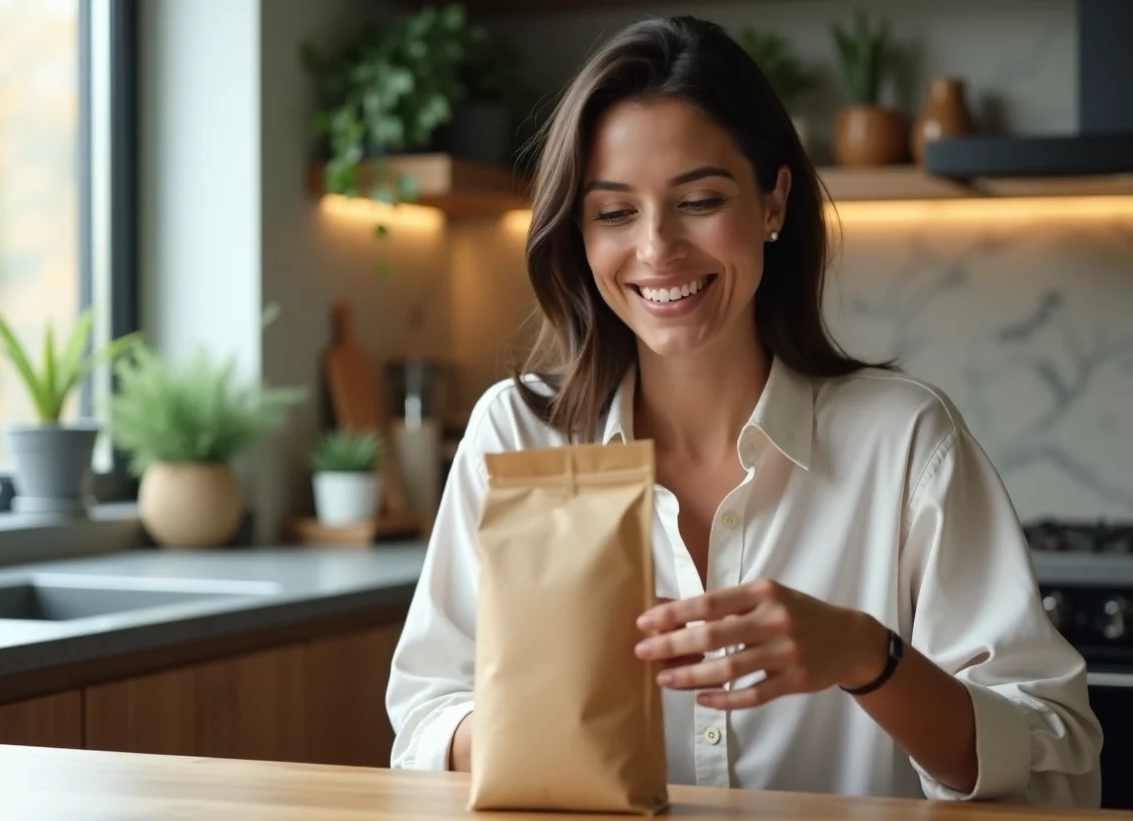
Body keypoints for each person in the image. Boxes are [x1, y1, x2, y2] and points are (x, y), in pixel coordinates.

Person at [385, 14, 1102, 806]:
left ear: (773, 202)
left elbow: (1054, 760)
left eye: (698, 200)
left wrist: (869, 656)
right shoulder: (516, 435)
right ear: (578, 233)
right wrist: (548, 715)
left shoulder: (905, 444)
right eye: (615, 212)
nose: (657, 248)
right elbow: (423, 715)